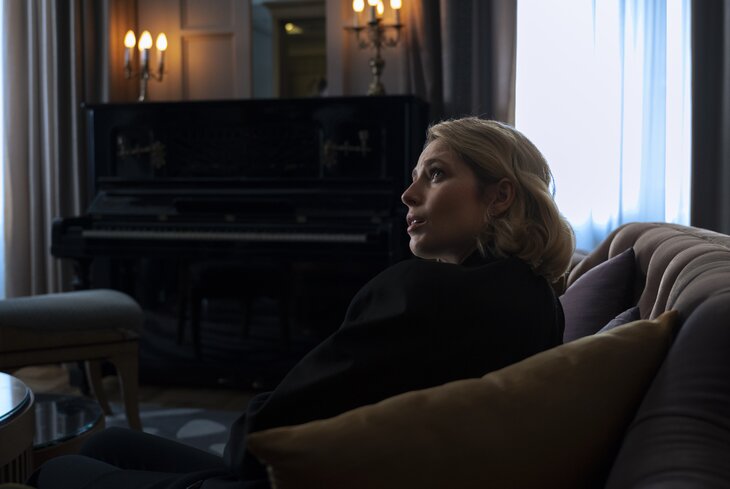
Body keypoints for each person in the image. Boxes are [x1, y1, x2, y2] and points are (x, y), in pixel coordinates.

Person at [28, 117, 575, 489]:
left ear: (500, 195)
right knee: (113, 442)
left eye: (435, 175)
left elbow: (257, 439)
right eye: (414, 178)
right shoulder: (542, 303)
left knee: (59, 470)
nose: (408, 195)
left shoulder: (421, 291)